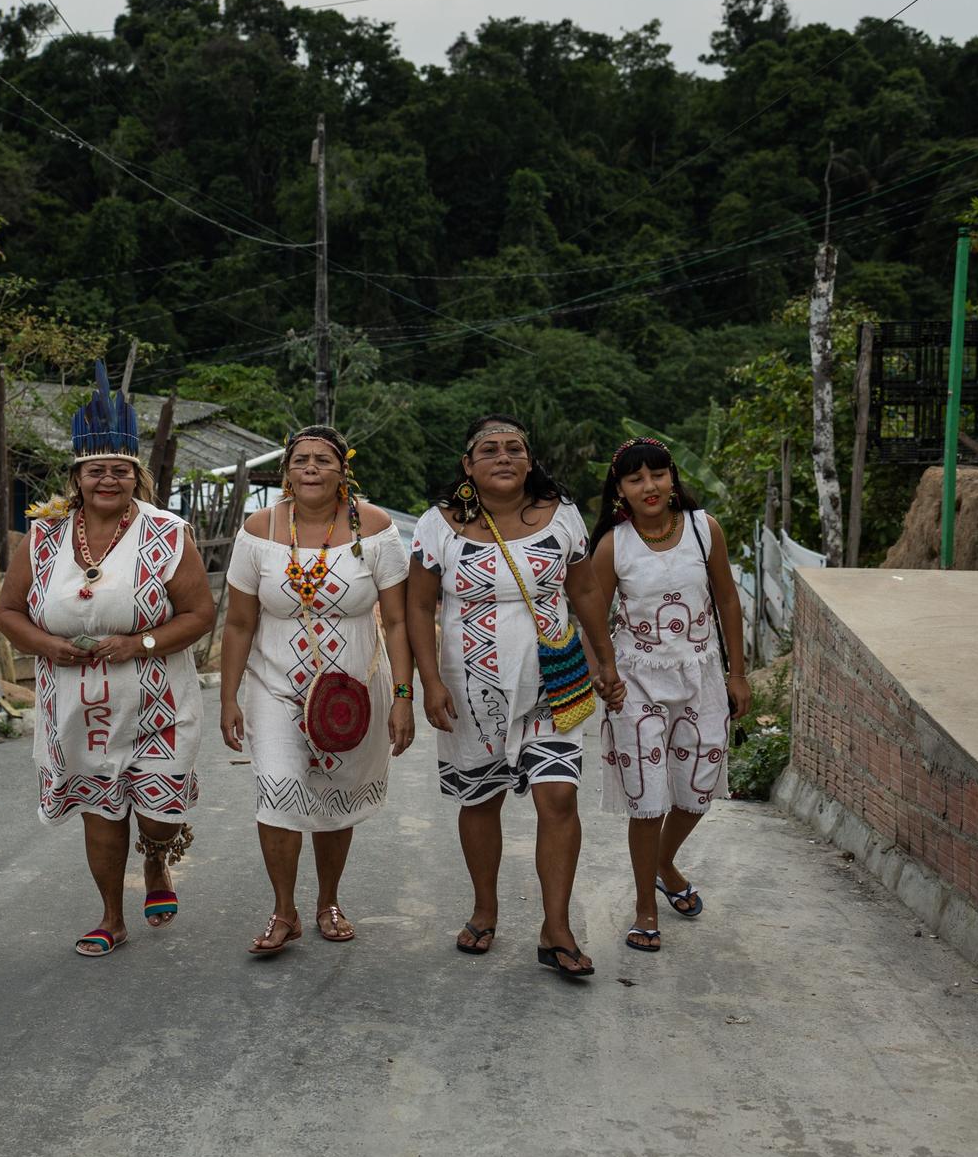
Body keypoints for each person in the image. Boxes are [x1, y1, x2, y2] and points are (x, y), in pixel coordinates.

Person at [0, 360, 215, 957]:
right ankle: (112, 916)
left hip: (157, 700)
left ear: (136, 477)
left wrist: (138, 643)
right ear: (78, 477)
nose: (107, 481)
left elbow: (199, 615)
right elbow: (9, 612)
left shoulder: (168, 533)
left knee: (159, 806)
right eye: (96, 471)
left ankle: (160, 854)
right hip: (77, 704)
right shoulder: (42, 537)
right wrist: (46, 646)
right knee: (100, 808)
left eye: (120, 471)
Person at [405, 414, 617, 981]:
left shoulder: (561, 516)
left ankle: (557, 929)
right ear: (467, 466)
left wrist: (606, 660)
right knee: (480, 800)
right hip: (468, 688)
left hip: (552, 681)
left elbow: (586, 589)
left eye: (515, 449)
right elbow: (419, 607)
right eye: (490, 450)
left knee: (559, 800)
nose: (504, 457)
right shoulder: (438, 526)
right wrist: (429, 681)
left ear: (530, 460)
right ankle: (485, 908)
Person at [220, 425, 414, 954]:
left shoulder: (374, 529)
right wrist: (228, 697)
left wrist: (402, 696)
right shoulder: (259, 529)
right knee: (278, 791)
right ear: (286, 471)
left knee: (336, 794)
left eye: (323, 459)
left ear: (342, 470)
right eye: (301, 459)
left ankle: (328, 900)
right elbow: (238, 623)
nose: (311, 467)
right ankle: (285, 910)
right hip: (275, 684)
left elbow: (397, 622)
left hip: (352, 692)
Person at [586, 436, 750, 956]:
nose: (649, 487)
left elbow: (726, 597)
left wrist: (739, 674)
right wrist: (602, 672)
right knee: (647, 798)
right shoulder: (614, 544)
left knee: (700, 786)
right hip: (635, 684)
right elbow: (591, 615)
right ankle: (644, 908)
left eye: (657, 475)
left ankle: (663, 862)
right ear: (620, 490)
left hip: (701, 676)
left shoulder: (705, 531)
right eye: (635, 479)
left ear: (672, 478)